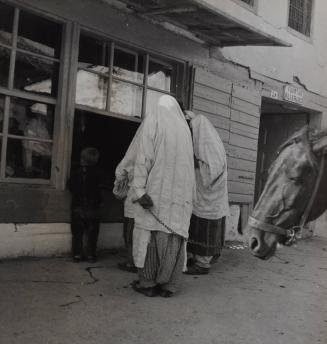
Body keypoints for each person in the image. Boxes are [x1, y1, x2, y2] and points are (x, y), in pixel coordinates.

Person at [131, 95, 195, 297]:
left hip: (156, 192)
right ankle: (168, 286)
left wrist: (139, 190)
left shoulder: (155, 118)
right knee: (174, 237)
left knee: (150, 235)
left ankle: (148, 284)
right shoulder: (185, 128)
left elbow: (144, 157)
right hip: (180, 197)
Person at [184, 112, 229, 275]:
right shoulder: (203, 141)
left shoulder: (209, 145)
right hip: (201, 195)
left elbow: (211, 172)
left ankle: (203, 264)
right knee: (196, 227)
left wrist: (193, 163)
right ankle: (194, 258)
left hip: (210, 196)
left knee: (205, 229)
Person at [113, 125, 143, 273]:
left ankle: (132, 262)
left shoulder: (136, 152)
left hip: (134, 197)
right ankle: (141, 261)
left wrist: (118, 182)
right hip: (148, 200)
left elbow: (123, 168)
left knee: (131, 231)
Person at [68, 147, 102, 263]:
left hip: (78, 205)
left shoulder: (76, 172)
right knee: (92, 232)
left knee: (77, 231)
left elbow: (70, 186)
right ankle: (91, 254)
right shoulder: (98, 173)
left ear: (83, 160)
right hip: (93, 207)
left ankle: (77, 254)